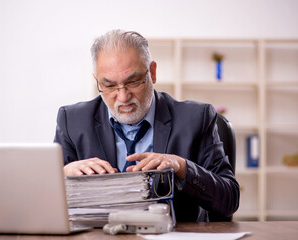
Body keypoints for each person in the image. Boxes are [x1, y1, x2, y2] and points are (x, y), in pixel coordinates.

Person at [54, 29, 239, 222]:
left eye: (133, 82)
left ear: (152, 72)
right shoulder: (72, 120)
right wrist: (64, 175)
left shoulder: (196, 118)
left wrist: (183, 168)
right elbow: (42, 200)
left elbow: (229, 201)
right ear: (97, 81)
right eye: (109, 86)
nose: (123, 97)